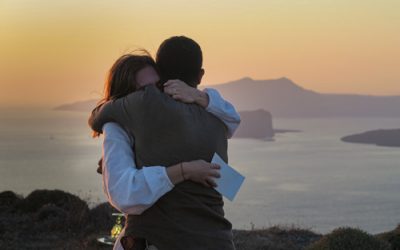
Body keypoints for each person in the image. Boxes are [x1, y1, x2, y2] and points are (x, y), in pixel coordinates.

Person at [89, 36, 237, 250]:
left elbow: (123, 194)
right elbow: (228, 181)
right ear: (200, 75)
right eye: (144, 89)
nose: (152, 94)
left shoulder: (141, 108)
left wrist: (182, 169)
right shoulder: (216, 119)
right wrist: (184, 169)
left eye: (156, 86)